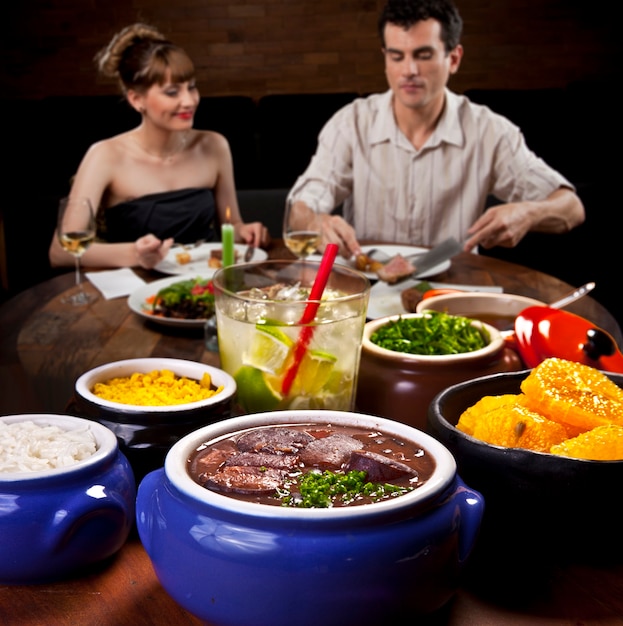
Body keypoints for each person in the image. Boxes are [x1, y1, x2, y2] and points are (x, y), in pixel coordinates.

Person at [287, 0, 585, 258]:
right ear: (385, 58)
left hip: (454, 292)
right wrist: (315, 223)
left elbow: (571, 208)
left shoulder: (489, 130)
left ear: (453, 59)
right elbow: (301, 207)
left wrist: (528, 213)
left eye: (423, 55)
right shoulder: (351, 123)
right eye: (396, 56)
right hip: (368, 290)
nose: (409, 71)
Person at [49, 23, 270, 270]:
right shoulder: (105, 155)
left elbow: (232, 227)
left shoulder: (214, 145)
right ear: (136, 99)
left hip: (206, 284)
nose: (189, 101)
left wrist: (246, 232)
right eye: (172, 92)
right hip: (136, 288)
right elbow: (60, 252)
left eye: (192, 87)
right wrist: (136, 254)